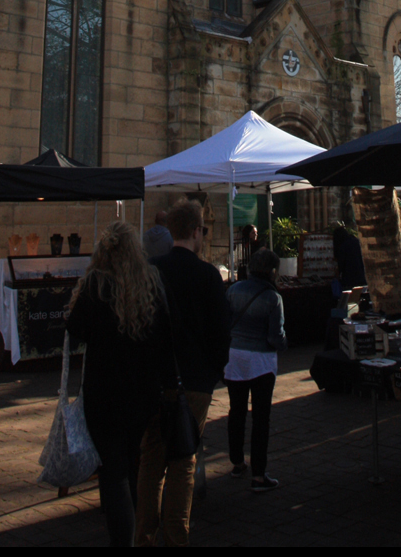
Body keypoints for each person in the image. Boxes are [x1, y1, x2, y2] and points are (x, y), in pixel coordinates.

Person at [65, 221, 173, 547]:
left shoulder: (96, 285)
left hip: (104, 395)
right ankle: (141, 534)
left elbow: (75, 329)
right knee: (134, 464)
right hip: (142, 393)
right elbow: (165, 335)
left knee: (113, 474)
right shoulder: (151, 282)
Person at [135, 198, 231, 547]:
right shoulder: (207, 275)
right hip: (194, 383)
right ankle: (176, 538)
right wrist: (211, 373)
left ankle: (143, 536)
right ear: (195, 231)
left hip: (155, 381)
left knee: (150, 462)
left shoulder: (151, 271)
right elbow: (221, 332)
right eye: (202, 229)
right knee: (183, 462)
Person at [225, 247, 288, 491]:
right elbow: (275, 336)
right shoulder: (273, 297)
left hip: (235, 356)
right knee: (261, 417)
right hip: (261, 360)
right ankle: (259, 475)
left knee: (236, 411)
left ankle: (237, 462)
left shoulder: (233, 290)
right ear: (272, 271)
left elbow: (225, 322)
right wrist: (284, 344)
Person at [332, 226, 366, 291]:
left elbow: (340, 266)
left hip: (349, 281)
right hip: (362, 278)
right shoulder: (356, 242)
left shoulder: (342, 247)